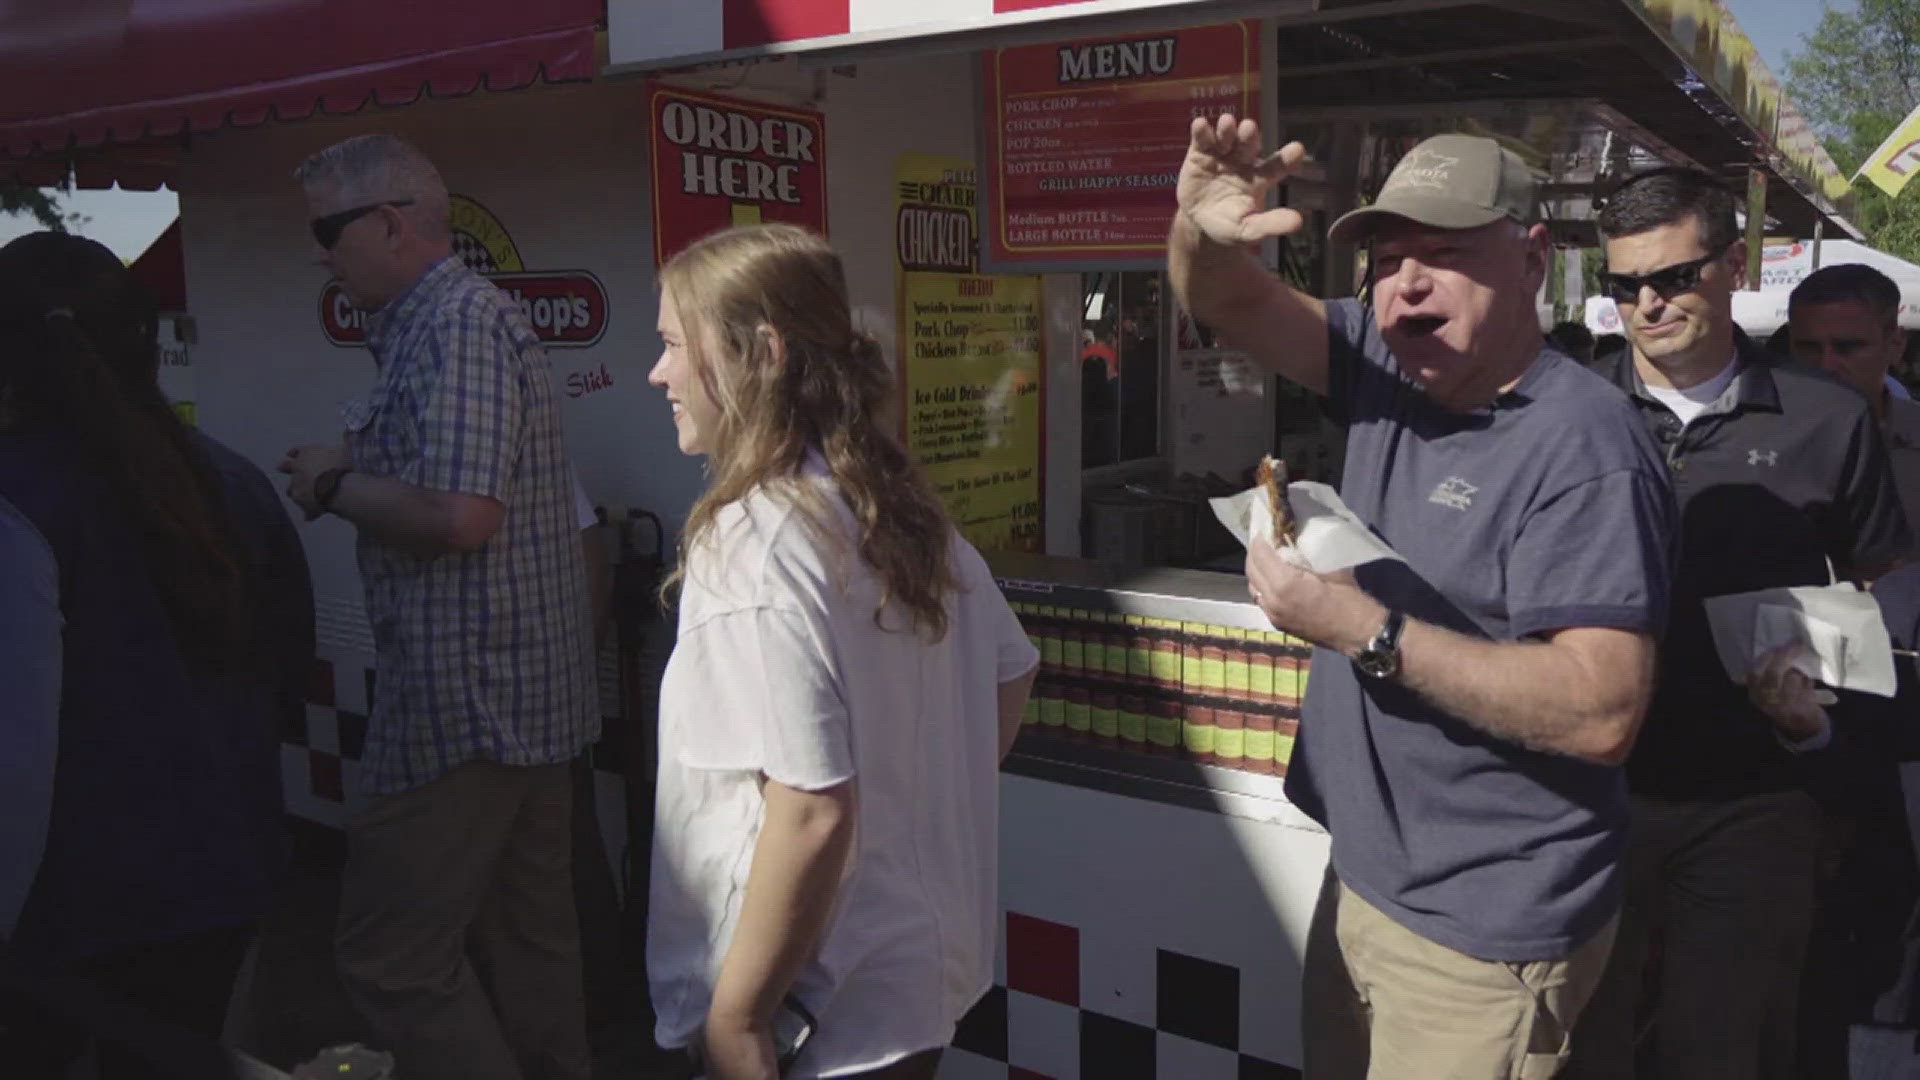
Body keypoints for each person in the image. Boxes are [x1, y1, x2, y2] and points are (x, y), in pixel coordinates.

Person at [1172, 119, 1675, 1077]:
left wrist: (1359, 626)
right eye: (1390, 256)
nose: (1408, 282)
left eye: (1446, 253)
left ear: (1533, 260)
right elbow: (1226, 298)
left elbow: (1602, 708)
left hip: (1487, 930)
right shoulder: (1382, 360)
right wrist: (1201, 230)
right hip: (1367, 883)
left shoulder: (1587, 449)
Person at [643, 223, 1038, 1080]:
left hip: (810, 1013)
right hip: (910, 983)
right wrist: (915, 802)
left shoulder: (753, 539)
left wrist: (738, 1020)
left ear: (762, 354)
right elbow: (1013, 670)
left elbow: (814, 807)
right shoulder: (891, 507)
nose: (659, 373)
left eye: (675, 345)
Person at [1568, 167, 1912, 1079]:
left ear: (1731, 266)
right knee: (1583, 1042)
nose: (1648, 304)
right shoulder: (1570, 412)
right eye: (1624, 286)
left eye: (1673, 278)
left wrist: (1828, 736)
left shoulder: (1828, 418)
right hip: (1591, 789)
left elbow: (1879, 589)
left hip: (1754, 799)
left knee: (1716, 1048)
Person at [279, 134, 597, 1080]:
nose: (319, 253)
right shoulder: (446, 324)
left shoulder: (453, 324)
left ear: (388, 222)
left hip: (464, 710)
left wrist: (334, 483)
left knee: (390, 961)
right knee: (531, 942)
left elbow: (462, 518)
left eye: (328, 231)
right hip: (517, 704)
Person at [0, 232, 294, 1078]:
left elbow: (15, 757)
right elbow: (284, 668)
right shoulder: (231, 480)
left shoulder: (20, 501)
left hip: (65, 913)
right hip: (222, 881)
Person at [1789, 263, 1920, 530]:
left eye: (1848, 347)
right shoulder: (1747, 440)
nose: (1827, 365)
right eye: (1809, 348)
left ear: (1895, 345)